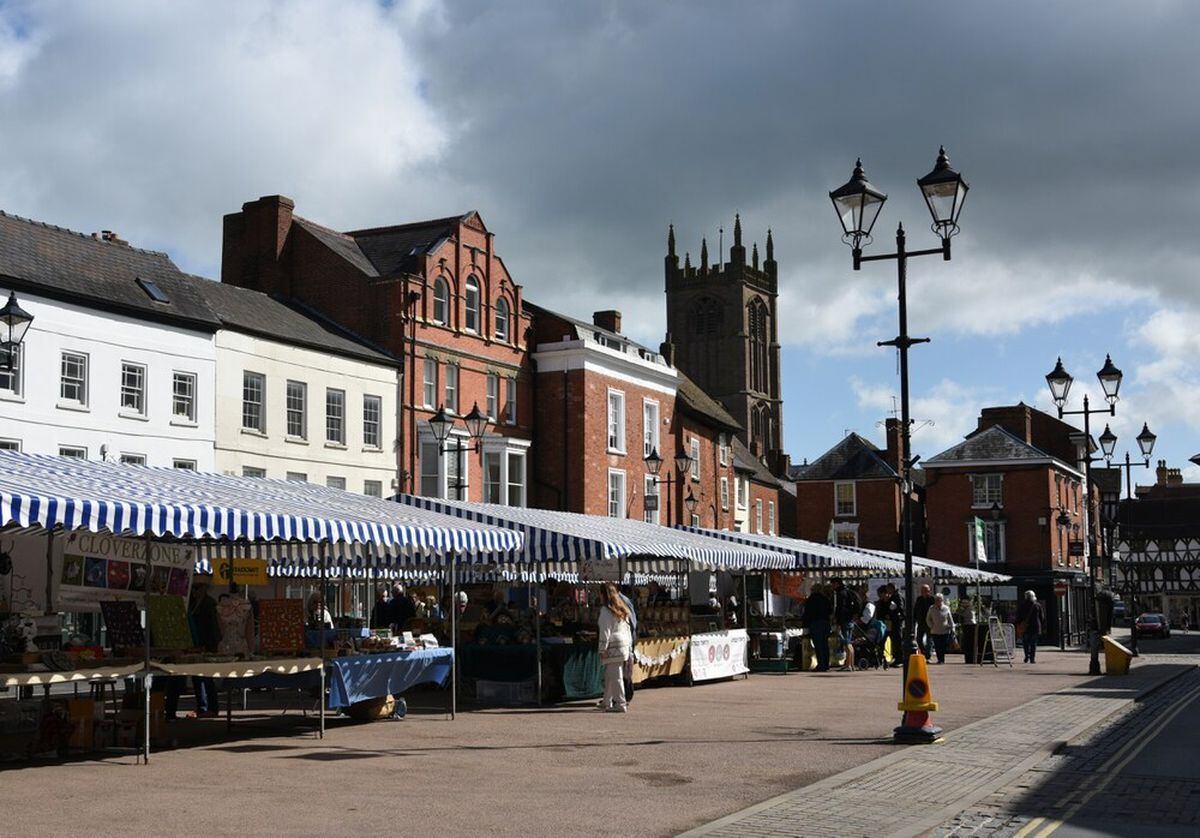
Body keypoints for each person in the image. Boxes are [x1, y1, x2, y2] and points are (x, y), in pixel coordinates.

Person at [186, 582, 221, 717]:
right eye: (193, 587)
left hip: (207, 644)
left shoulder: (210, 603)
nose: (194, 591)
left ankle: (212, 707)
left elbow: (213, 627)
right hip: (195, 644)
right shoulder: (192, 603)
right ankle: (201, 706)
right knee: (196, 677)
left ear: (204, 588)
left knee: (207, 677)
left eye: (197, 588)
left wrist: (211, 645)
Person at [597, 583, 633, 713]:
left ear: (603, 595)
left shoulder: (606, 610)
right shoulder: (622, 608)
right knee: (610, 674)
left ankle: (620, 703)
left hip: (613, 645)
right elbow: (628, 628)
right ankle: (607, 700)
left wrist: (602, 648)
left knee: (615, 674)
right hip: (623, 644)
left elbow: (605, 630)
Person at [802, 583, 833, 672]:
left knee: (818, 645)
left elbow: (807, 613)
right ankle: (826, 664)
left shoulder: (811, 600)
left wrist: (805, 624)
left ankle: (821, 665)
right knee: (825, 645)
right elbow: (830, 611)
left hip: (816, 623)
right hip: (826, 623)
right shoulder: (825, 599)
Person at [831, 578, 859, 671]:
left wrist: (838, 621)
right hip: (850, 620)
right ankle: (851, 664)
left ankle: (848, 665)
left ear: (837, 584)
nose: (832, 586)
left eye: (833, 584)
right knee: (849, 642)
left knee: (846, 643)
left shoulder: (841, 593)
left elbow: (840, 609)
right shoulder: (848, 592)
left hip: (844, 621)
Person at [618, 586, 638, 704]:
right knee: (625, 668)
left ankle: (627, 694)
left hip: (627, 639)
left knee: (625, 669)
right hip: (628, 638)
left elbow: (632, 623)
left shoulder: (622, 601)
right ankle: (626, 694)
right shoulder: (624, 601)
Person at [1015, 590, 1046, 664]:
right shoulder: (1037, 605)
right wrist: (1042, 625)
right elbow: (1042, 617)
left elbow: (1019, 616)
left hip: (1026, 627)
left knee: (1025, 642)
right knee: (1033, 643)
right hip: (1035, 627)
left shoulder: (1022, 605)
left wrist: (1019, 623)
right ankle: (1032, 658)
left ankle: (1026, 656)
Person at [926, 593, 955, 664]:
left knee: (943, 646)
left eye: (939, 600)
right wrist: (931, 625)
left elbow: (950, 619)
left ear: (942, 600)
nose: (937, 601)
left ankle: (942, 659)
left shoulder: (946, 608)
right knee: (937, 646)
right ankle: (940, 659)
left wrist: (952, 628)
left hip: (944, 631)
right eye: (936, 600)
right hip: (935, 631)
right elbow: (928, 619)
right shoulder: (931, 608)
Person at [913, 584, 936, 658]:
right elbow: (916, 609)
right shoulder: (919, 599)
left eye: (926, 590)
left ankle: (928, 655)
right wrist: (915, 619)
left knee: (929, 640)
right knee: (919, 639)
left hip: (929, 622)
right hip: (921, 621)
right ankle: (924, 652)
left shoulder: (932, 599)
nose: (924, 592)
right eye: (923, 591)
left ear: (929, 591)